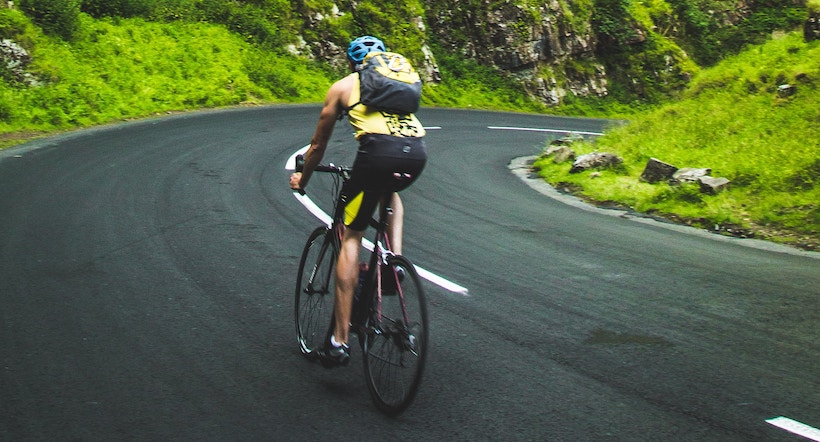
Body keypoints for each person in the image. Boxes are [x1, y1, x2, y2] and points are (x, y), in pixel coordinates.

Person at [289, 36, 427, 367]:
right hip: (416, 153)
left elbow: (317, 146)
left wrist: (302, 180)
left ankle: (338, 342)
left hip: (377, 154)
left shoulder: (343, 86)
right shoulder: (397, 85)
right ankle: (393, 260)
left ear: (353, 64)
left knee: (351, 235)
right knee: (388, 191)